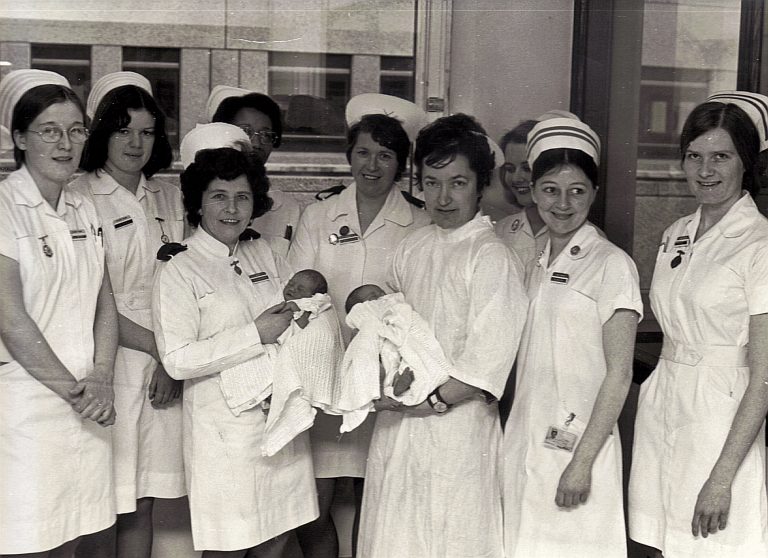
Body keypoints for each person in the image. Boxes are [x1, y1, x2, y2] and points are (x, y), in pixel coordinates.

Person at [357, 113, 528, 557]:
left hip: (457, 429)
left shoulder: (492, 258)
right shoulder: (413, 246)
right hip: (399, 426)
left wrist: (425, 402)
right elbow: (385, 325)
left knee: (452, 538)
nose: (443, 197)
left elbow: (486, 366)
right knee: (395, 537)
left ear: (481, 183)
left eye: (457, 183)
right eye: (431, 183)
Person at [151, 124, 318, 557]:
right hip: (223, 435)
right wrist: (254, 335)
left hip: (279, 421)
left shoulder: (265, 253)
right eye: (219, 196)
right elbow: (178, 359)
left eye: (242, 197)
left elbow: (299, 319)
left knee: (278, 538)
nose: (232, 208)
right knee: (230, 546)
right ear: (198, 203)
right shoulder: (179, 269)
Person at [287, 93, 430, 557]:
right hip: (324, 374)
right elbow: (295, 292)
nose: (373, 165)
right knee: (313, 503)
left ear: (401, 164)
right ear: (349, 156)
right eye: (364, 153)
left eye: (386, 155)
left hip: (387, 381)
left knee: (379, 499)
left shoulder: (421, 222)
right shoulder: (319, 213)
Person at [629, 91, 768, 557]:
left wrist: (722, 476)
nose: (705, 170)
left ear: (745, 161)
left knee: (714, 546)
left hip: (722, 418)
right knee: (667, 543)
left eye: (721, 157)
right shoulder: (676, 234)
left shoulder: (760, 244)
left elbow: (764, 376)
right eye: (694, 156)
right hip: (667, 401)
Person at [502, 117, 642, 557]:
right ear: (533, 189)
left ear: (594, 194)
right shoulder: (536, 258)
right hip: (525, 437)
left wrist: (581, 463)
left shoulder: (611, 264)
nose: (562, 203)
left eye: (577, 190)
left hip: (579, 447)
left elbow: (619, 376)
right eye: (550, 189)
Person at [0, 69, 118, 556]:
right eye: (50, 130)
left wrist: (103, 375)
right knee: (27, 539)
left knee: (71, 539)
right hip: (27, 406)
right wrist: (78, 390)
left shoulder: (83, 209)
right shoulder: (5, 206)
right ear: (21, 138)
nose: (66, 143)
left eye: (75, 130)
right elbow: (10, 318)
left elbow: (103, 301)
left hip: (87, 401)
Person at [70, 71, 185, 558]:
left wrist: (171, 361)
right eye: (122, 130)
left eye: (146, 131)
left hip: (163, 365)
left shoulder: (168, 195)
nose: (135, 143)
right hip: (109, 361)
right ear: (102, 134)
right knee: (102, 501)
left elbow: (181, 285)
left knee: (142, 499)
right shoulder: (79, 197)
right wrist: (163, 351)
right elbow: (94, 299)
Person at [207, 85, 301, 255]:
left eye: (266, 135)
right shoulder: (198, 200)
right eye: (246, 131)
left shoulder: (288, 207)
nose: (256, 144)